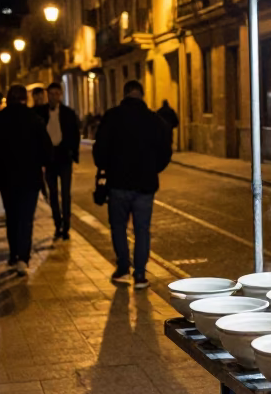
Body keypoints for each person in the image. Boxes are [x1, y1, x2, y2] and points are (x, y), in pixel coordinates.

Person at [92, 80, 172, 289]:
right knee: (142, 229)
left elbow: (99, 150)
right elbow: (165, 152)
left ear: (125, 94)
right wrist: (153, 169)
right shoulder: (154, 120)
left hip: (118, 183)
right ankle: (140, 275)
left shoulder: (112, 117)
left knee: (118, 227)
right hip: (145, 184)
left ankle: (122, 269)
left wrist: (106, 167)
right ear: (142, 95)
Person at [0, 84, 52, 274]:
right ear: (24, 99)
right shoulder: (34, 119)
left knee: (12, 216)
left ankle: (14, 254)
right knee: (26, 218)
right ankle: (23, 258)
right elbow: (46, 148)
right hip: (30, 177)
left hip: (7, 177)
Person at [35, 83, 81, 240]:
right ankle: (57, 223)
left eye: (56, 94)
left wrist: (73, 152)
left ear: (60, 95)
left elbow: (75, 134)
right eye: (51, 94)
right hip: (50, 159)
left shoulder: (68, 113)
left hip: (64, 158)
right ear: (48, 95)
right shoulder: (41, 113)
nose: (54, 97)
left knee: (66, 193)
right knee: (52, 193)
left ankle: (66, 226)